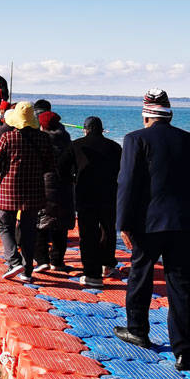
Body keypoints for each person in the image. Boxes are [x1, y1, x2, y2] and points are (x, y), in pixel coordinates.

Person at [115, 89, 190, 370]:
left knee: (141, 276)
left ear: (146, 116)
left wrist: (122, 223)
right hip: (185, 225)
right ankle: (184, 350)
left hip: (146, 226)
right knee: (182, 286)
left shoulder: (135, 139)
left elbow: (127, 184)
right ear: (169, 114)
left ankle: (137, 330)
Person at [0, 102, 56, 283]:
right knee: (29, 231)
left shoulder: (8, 138)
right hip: (34, 192)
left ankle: (14, 261)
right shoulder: (44, 139)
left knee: (5, 226)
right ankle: (27, 272)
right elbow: (50, 166)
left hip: (8, 191)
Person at [64, 116, 122, 286]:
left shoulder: (76, 145)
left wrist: (73, 180)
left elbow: (61, 168)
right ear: (101, 130)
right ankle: (107, 264)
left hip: (85, 194)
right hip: (110, 194)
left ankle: (92, 273)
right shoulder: (115, 147)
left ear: (85, 129)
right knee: (108, 230)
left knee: (88, 234)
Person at [35, 111, 75, 272]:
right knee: (61, 225)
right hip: (65, 186)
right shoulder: (67, 139)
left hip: (45, 183)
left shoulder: (42, 140)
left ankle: (42, 259)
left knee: (41, 223)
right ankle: (57, 262)